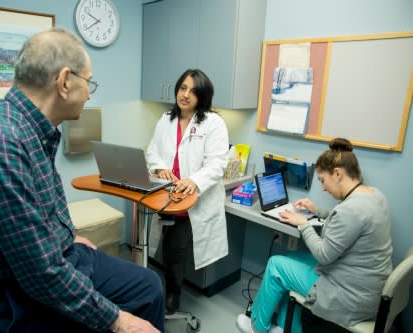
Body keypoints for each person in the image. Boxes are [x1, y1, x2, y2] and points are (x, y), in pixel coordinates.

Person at [0, 28, 164, 333]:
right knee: (122, 318)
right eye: (88, 81)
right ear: (65, 82)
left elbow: (31, 217)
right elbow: (41, 274)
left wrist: (66, 236)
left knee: (148, 286)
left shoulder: (26, 127)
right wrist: (119, 321)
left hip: (44, 259)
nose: (90, 92)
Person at [236, 138, 393, 333]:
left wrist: (303, 224)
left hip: (347, 297)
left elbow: (323, 255)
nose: (324, 188)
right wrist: (316, 210)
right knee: (291, 258)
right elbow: (350, 226)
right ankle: (287, 327)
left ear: (337, 174)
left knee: (276, 265)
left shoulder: (351, 209)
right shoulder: (374, 195)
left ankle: (257, 327)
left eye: (323, 180)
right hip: (366, 289)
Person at [146, 69, 229, 314]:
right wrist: (159, 168)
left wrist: (193, 180)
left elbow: (217, 164)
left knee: (175, 250)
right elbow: (152, 151)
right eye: (183, 88)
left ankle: (173, 296)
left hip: (191, 200)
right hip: (165, 194)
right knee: (162, 248)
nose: (185, 94)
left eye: (193, 91)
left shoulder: (213, 123)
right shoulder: (166, 119)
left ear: (202, 96)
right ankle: (156, 288)